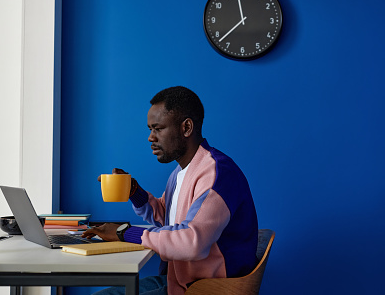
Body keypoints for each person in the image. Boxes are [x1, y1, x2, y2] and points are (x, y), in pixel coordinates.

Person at [83, 86, 259, 295]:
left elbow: (190, 241)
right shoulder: (181, 171)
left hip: (206, 288)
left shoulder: (217, 173)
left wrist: (124, 233)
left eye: (158, 128)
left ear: (186, 127)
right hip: (177, 280)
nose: (150, 137)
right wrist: (134, 191)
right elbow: (167, 219)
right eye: (150, 129)